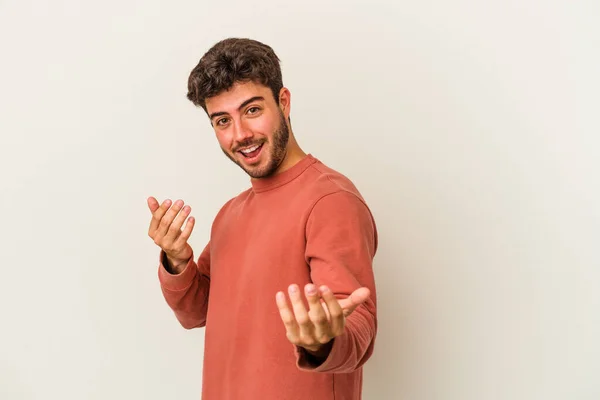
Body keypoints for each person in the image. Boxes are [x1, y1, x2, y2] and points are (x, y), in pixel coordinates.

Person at [146, 37, 379, 400]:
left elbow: (356, 317)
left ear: (283, 103)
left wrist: (324, 340)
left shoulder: (330, 200)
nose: (240, 134)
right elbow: (196, 312)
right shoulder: (230, 214)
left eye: (252, 110)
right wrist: (177, 261)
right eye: (222, 120)